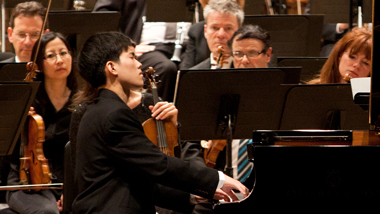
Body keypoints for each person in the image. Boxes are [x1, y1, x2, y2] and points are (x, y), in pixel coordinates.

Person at [71, 31, 248, 214]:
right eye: (132, 56)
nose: (140, 64)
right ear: (112, 68)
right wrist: (216, 179)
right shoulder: (114, 115)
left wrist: (194, 195)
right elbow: (159, 164)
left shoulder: (101, 109)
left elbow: (138, 180)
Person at [6, 32, 77, 214]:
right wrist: (19, 121)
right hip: (27, 183)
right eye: (51, 56)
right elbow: (11, 152)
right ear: (39, 65)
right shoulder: (28, 101)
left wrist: (70, 192)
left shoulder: (81, 103)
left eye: (63, 53)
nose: (59, 60)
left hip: (66, 184)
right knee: (47, 212)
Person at [93, 0, 179, 102]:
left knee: (193, 72)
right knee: (165, 68)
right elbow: (102, 16)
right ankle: (152, 113)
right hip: (145, 46)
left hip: (186, 44)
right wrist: (126, 45)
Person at [180, 0, 244, 70]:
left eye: (228, 28)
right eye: (214, 28)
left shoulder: (248, 70)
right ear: (205, 31)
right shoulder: (192, 74)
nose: (220, 35)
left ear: (239, 32)